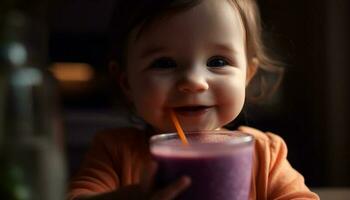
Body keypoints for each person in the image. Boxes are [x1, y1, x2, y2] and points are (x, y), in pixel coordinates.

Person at [67, 0, 319, 199]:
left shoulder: (265, 154)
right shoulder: (115, 153)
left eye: (218, 62)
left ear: (247, 75)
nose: (194, 81)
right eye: (164, 63)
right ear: (126, 82)